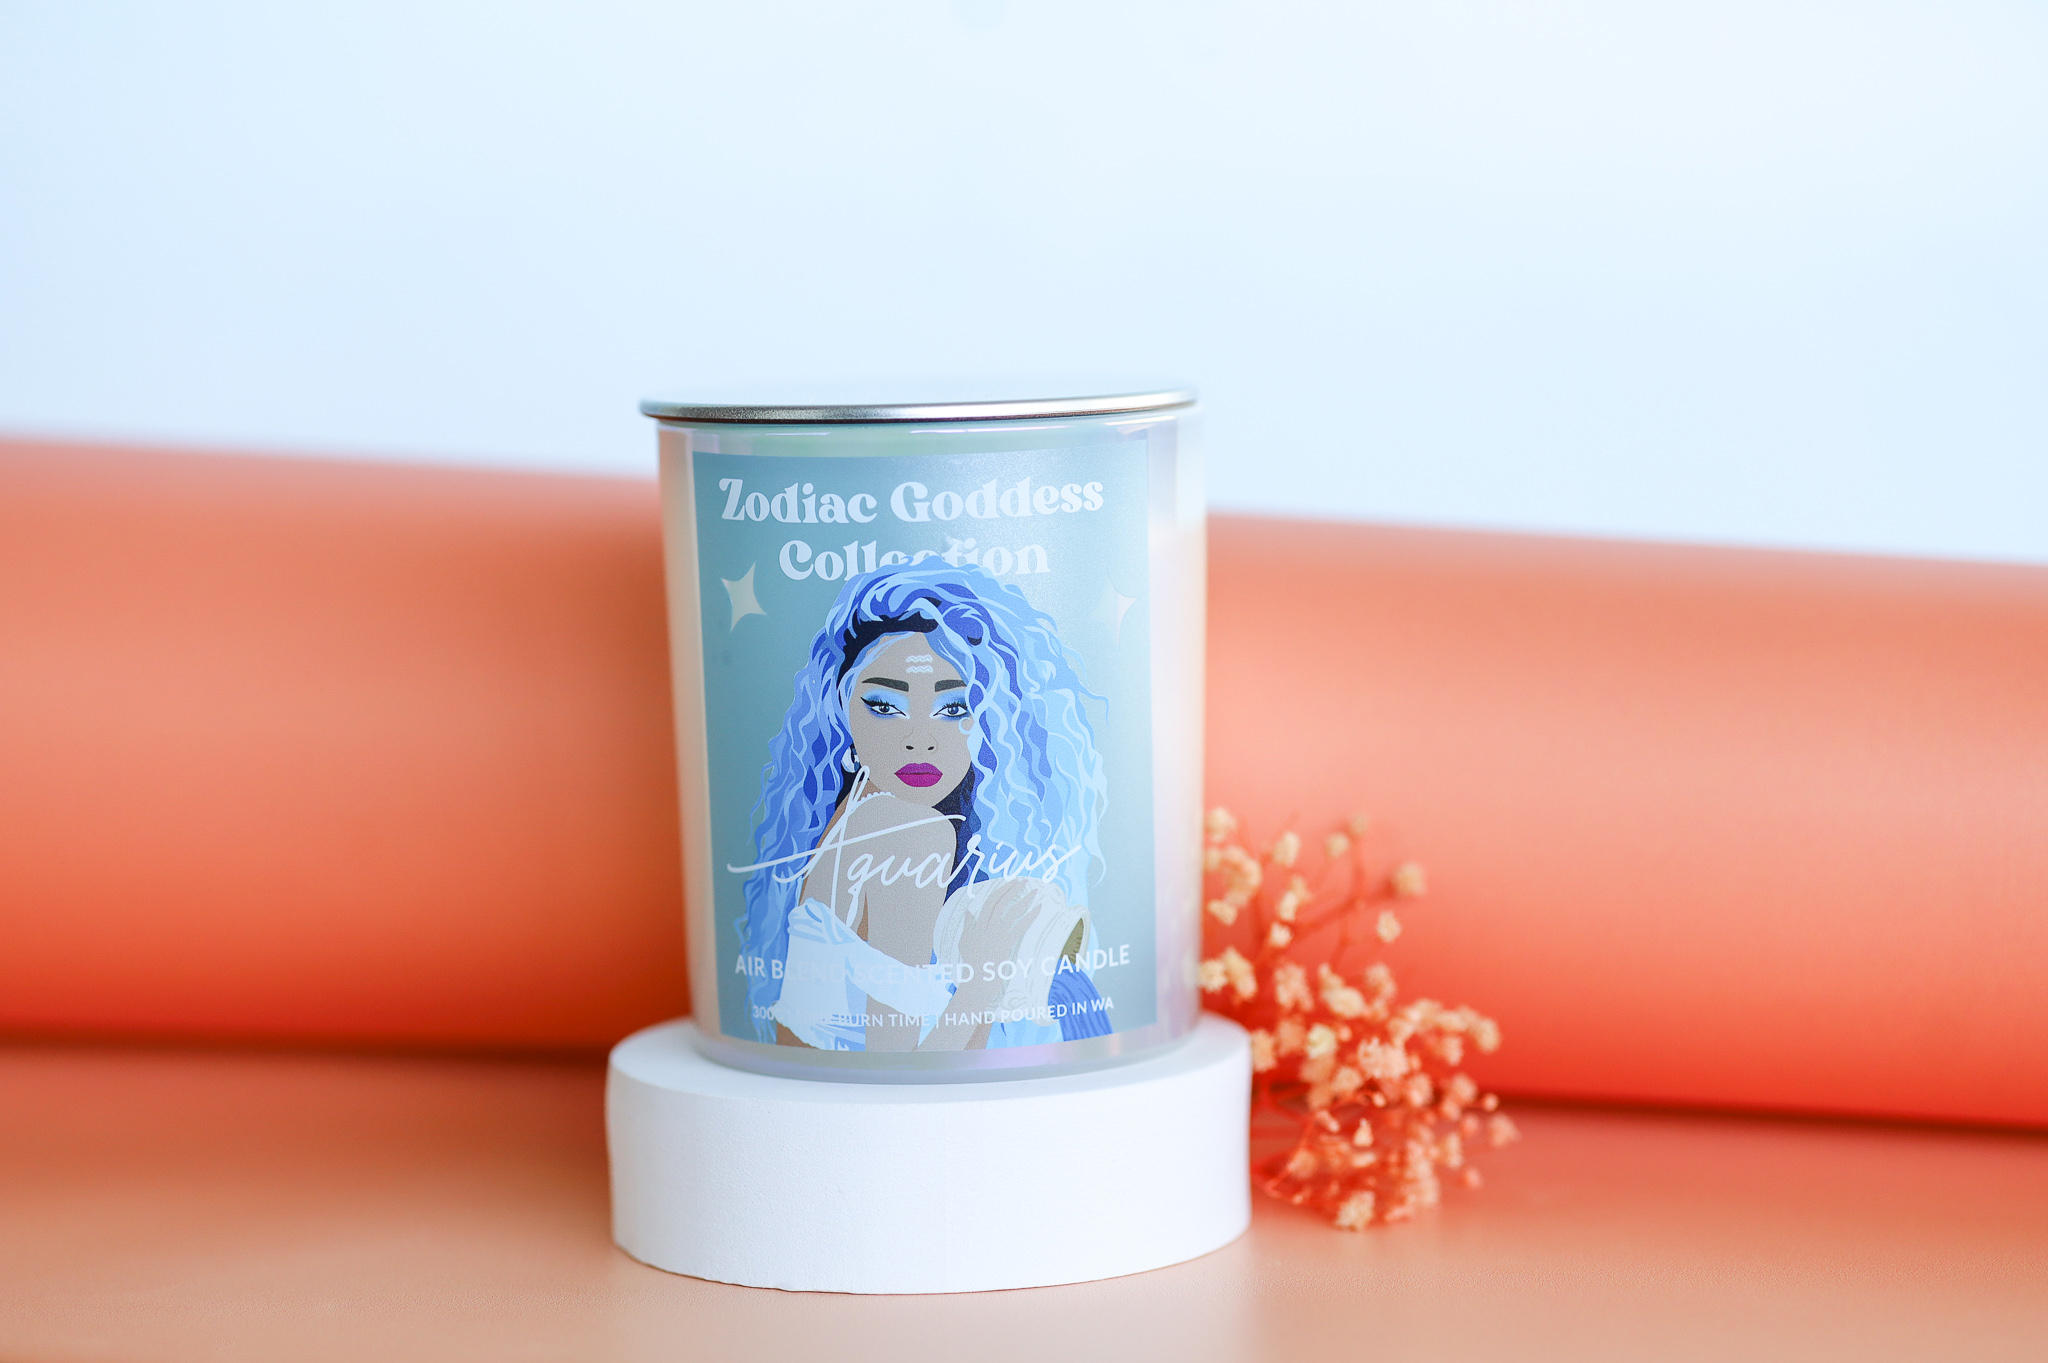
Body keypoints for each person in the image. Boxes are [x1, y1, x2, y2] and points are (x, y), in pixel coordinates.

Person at [734, 561, 1114, 1051]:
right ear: (842, 711)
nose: (919, 739)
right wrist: (983, 977)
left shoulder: (852, 818)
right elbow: (904, 1069)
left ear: (985, 723)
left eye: (953, 708)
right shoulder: (909, 829)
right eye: (884, 706)